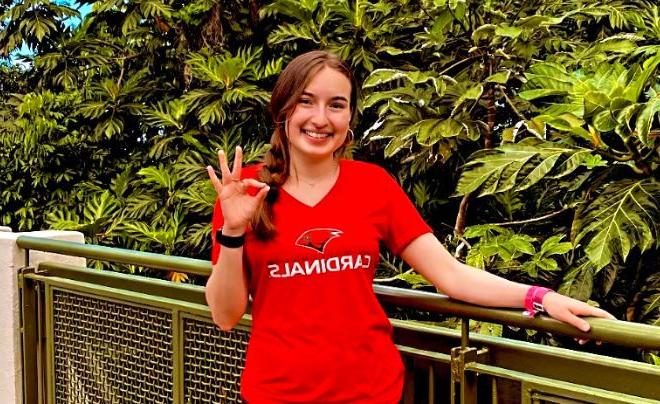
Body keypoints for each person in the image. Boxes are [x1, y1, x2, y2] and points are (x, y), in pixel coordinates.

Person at [205, 50, 614, 403]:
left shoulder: (372, 185)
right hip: (277, 394)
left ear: (350, 117)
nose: (320, 118)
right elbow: (226, 315)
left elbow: (450, 275)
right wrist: (234, 230)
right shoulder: (246, 191)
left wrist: (540, 298)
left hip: (372, 392)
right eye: (306, 101)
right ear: (283, 110)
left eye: (336, 104)